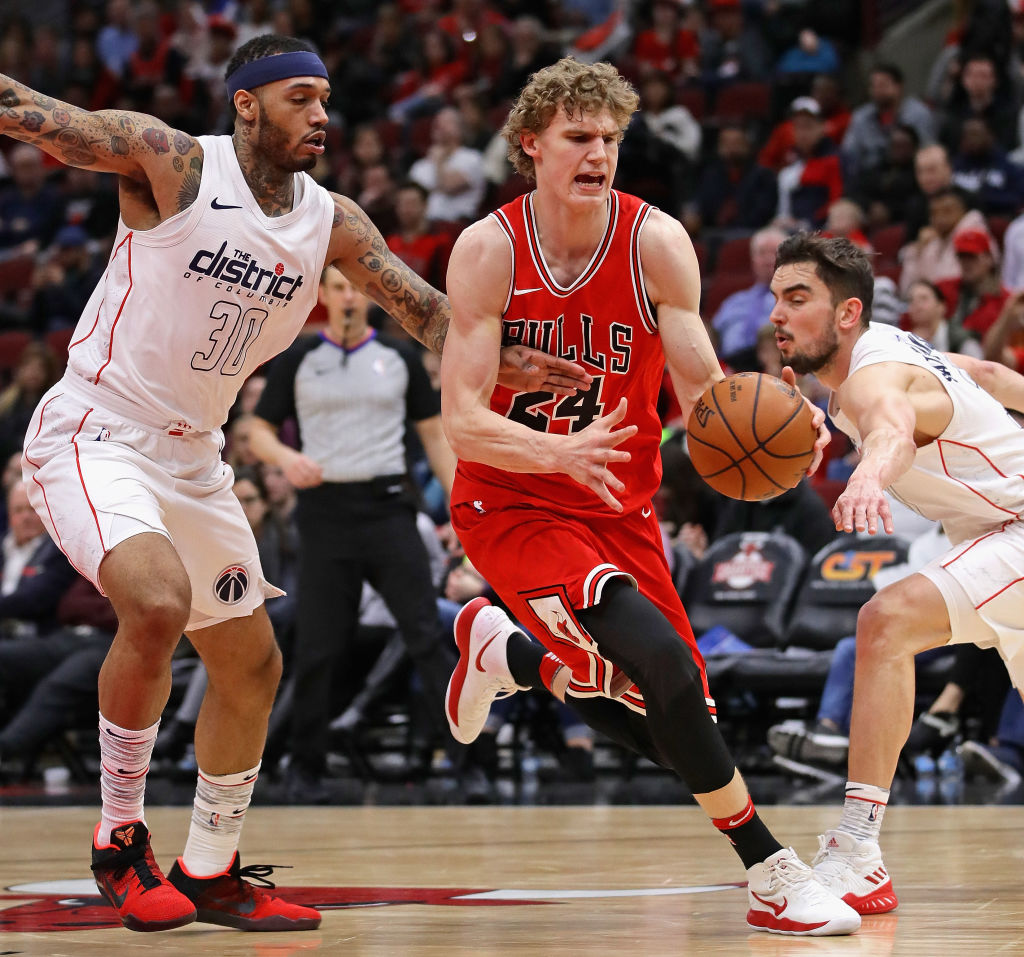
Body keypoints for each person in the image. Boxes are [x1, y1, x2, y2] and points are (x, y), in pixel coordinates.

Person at [4, 34, 581, 935]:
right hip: (96, 428)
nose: (321, 115)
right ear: (246, 103)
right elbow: (48, 121)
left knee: (252, 661)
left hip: (195, 454)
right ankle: (120, 840)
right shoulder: (175, 164)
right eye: (299, 98)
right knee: (156, 603)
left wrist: (507, 362)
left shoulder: (332, 220)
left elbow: (422, 309)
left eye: (325, 99)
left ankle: (212, 867)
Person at [439, 57, 859, 937]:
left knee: (677, 719)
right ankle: (772, 872)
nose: (598, 154)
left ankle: (504, 655)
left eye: (611, 140)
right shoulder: (488, 249)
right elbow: (464, 423)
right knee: (662, 667)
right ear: (532, 146)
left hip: (620, 509)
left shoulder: (655, 241)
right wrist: (555, 453)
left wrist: (784, 417)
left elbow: (705, 391)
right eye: (579, 138)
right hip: (511, 504)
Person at [766, 232, 1024, 918]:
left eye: (798, 298)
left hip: (1017, 527)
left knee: (886, 621)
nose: (777, 315)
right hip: (996, 531)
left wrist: (867, 476)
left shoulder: (875, 372)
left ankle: (858, 851)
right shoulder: (888, 351)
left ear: (847, 313)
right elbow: (989, 378)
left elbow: (893, 425)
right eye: (775, 299)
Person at [248, 265, 462, 801]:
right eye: (337, 287)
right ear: (322, 294)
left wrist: (462, 507)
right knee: (319, 645)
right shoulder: (299, 358)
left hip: (388, 509)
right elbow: (257, 430)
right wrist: (286, 458)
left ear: (369, 296)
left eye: (355, 288)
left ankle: (466, 761)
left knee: (425, 635)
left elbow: (435, 438)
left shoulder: (400, 357)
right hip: (324, 513)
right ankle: (306, 768)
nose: (347, 297)